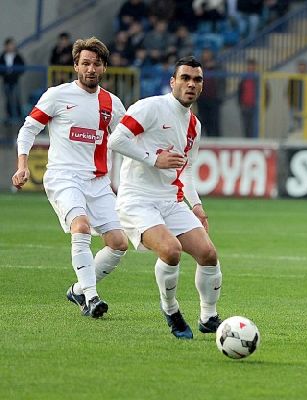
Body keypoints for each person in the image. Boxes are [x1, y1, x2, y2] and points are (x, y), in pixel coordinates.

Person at [12, 37, 129, 318]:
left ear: (104, 68)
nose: (91, 68)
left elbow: (128, 138)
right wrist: (22, 164)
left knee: (119, 242)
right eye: (85, 63)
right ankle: (91, 298)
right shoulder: (57, 95)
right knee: (81, 226)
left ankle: (78, 290)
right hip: (64, 177)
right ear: (76, 65)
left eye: (96, 64)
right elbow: (28, 129)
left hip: (98, 181)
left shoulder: (111, 103)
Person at [107, 56, 223, 339]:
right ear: (173, 82)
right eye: (185, 78)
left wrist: (196, 206)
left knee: (208, 254)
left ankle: (208, 317)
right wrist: (153, 159)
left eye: (197, 80)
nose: (191, 84)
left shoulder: (194, 125)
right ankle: (170, 309)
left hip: (170, 200)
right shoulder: (150, 107)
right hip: (137, 200)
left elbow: (187, 169)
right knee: (171, 250)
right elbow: (116, 140)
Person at [196, 48, 225, 137]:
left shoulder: (218, 66)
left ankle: (216, 141)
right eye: (205, 53)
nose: (206, 55)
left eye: (208, 53)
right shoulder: (198, 66)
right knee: (202, 120)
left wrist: (221, 96)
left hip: (214, 98)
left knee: (214, 121)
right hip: (202, 98)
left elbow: (223, 81)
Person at [0, 37, 25, 125]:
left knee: (17, 98)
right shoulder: (3, 56)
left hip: (15, 80)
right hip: (6, 80)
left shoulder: (17, 56)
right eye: (9, 45)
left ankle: (18, 116)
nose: (11, 47)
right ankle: (9, 116)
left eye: (12, 45)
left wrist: (15, 74)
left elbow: (22, 67)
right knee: (8, 98)